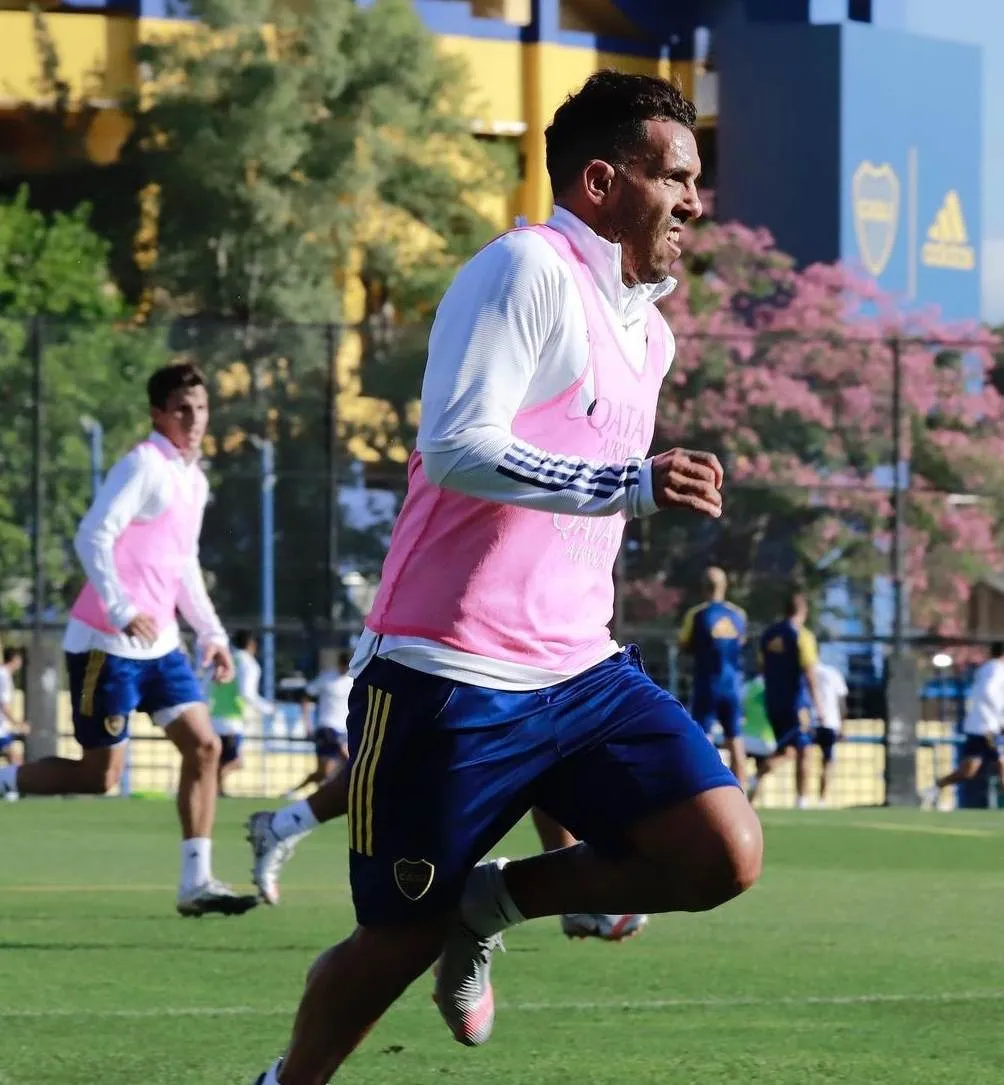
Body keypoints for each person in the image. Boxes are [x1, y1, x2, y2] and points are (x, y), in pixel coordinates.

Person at [252, 71, 762, 1085]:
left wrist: (631, 489)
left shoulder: (648, 329)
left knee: (720, 851)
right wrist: (630, 481)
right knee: (392, 941)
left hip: (582, 669)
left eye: (696, 180)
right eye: (676, 177)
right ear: (601, 180)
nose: (696, 203)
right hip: (447, 669)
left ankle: (482, 907)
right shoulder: (522, 267)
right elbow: (453, 449)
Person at [0, 364, 258, 918]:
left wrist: (210, 634)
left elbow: (184, 564)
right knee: (100, 776)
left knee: (206, 747)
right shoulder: (144, 465)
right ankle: (4, 779)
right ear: (158, 415)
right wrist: (121, 608)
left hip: (161, 648)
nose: (194, 420)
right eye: (182, 410)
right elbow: (92, 532)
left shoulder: (194, 477)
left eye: (202, 409)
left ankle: (196, 883)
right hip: (105, 645)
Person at [248, 768, 648, 940]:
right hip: (445, 640)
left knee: (552, 752)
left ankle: (283, 825)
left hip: (525, 640)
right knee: (398, 765)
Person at [748, 590, 825, 809]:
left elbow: (761, 666)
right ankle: (801, 800)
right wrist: (818, 705)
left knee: (787, 749)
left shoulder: (769, 634)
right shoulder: (802, 635)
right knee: (803, 750)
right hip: (796, 702)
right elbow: (809, 671)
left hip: (773, 701)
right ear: (804, 610)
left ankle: (757, 779)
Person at [678, 567, 748, 791]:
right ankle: (743, 794)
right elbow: (742, 642)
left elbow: (684, 644)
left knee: (702, 738)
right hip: (733, 686)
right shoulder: (738, 614)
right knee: (735, 739)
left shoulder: (697, 614)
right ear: (725, 586)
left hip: (707, 684)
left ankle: (702, 790)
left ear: (702, 588)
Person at [923, 643, 1004, 810]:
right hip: (990, 727)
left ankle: (935, 787)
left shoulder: (986, 668)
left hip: (978, 726)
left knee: (969, 770)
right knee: (1002, 764)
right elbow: (989, 693)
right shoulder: (997, 669)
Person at [209, 630, 273, 796]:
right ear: (252, 644)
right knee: (235, 761)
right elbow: (247, 693)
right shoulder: (248, 663)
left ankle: (218, 791)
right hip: (232, 721)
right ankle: (212, 786)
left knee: (220, 760)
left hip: (215, 717)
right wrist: (268, 708)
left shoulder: (226, 660)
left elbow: (208, 685)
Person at [285, 650, 354, 799]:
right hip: (327, 727)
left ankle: (293, 792)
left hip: (344, 730)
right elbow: (306, 697)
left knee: (321, 773)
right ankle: (333, 797)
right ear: (340, 664)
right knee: (348, 760)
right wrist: (307, 723)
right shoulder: (326, 678)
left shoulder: (353, 680)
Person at [812, 659, 848, 807]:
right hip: (830, 722)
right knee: (827, 760)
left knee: (802, 757)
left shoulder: (801, 672)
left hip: (810, 720)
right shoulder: (833, 673)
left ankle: (802, 798)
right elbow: (841, 701)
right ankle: (822, 799)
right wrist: (842, 724)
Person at [0, 647, 30, 798]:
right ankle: (12, 792)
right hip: (0, 730)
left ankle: (11, 791)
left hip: (3, 728)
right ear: (15, 659)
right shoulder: (3, 676)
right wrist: (19, 724)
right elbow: (4, 706)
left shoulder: (4, 675)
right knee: (16, 759)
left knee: (15, 758)